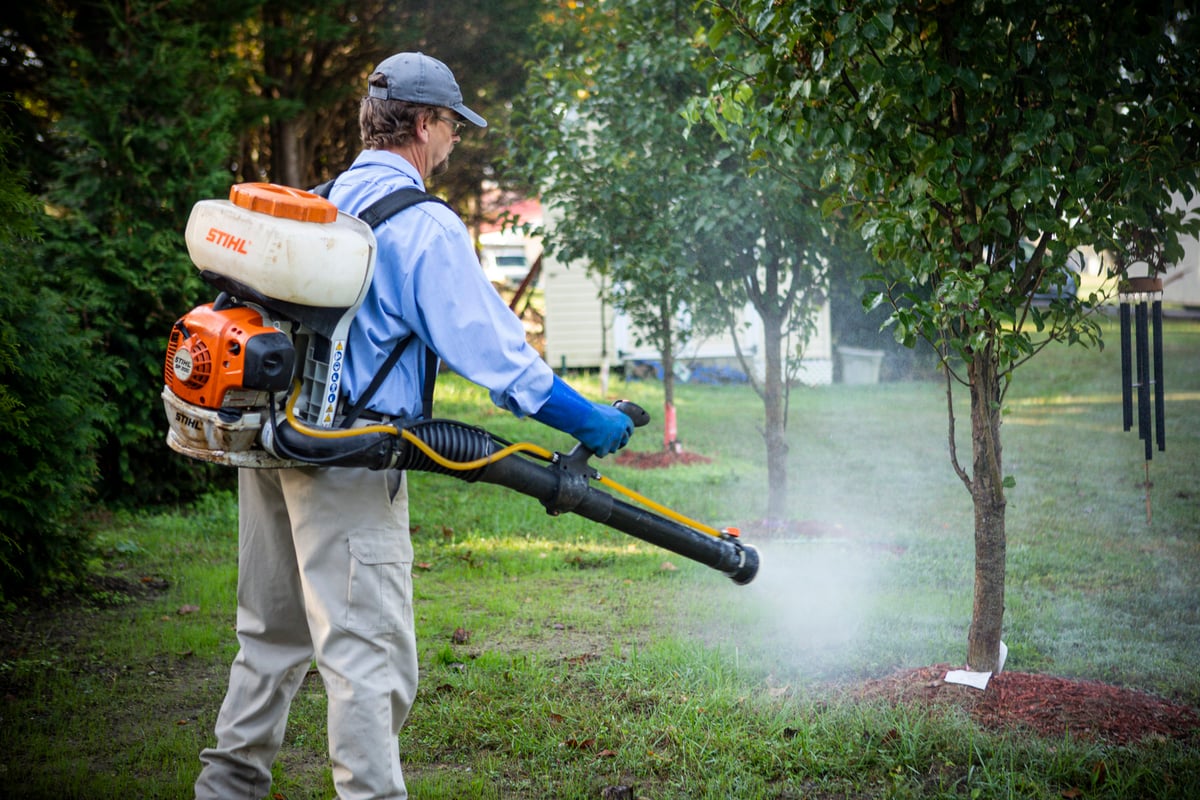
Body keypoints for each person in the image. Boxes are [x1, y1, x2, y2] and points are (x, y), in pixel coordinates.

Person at [194, 52, 633, 800]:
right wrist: (589, 419)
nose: (456, 141)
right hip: (350, 466)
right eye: (453, 126)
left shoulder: (320, 201)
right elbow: (502, 364)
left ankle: (225, 791)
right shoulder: (422, 226)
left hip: (273, 447)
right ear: (425, 123)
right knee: (369, 661)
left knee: (268, 643)